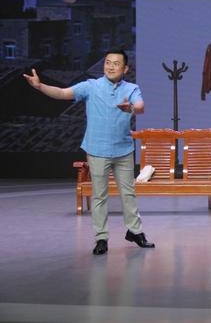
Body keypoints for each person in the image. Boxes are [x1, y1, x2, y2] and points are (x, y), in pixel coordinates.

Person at [24, 49, 155, 255]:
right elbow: (63, 93)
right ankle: (101, 238)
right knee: (99, 195)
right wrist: (40, 86)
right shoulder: (90, 86)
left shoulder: (131, 88)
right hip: (97, 149)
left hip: (123, 150)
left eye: (116, 63)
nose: (110, 66)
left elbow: (140, 106)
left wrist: (130, 107)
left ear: (125, 69)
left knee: (128, 193)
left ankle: (135, 231)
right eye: (108, 62)